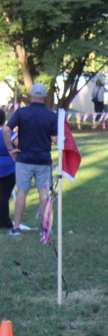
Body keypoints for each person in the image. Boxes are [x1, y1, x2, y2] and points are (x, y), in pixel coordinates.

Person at [3, 83, 57, 235]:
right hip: (43, 160)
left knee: (22, 193)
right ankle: (45, 229)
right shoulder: (51, 115)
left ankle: (16, 228)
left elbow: (6, 130)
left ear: (31, 95)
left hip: (24, 159)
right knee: (44, 194)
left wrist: (10, 149)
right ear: (44, 96)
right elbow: (54, 138)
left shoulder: (21, 112)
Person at [0, 110, 15, 230]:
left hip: (7, 167)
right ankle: (4, 222)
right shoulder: (10, 134)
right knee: (4, 196)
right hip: (9, 168)